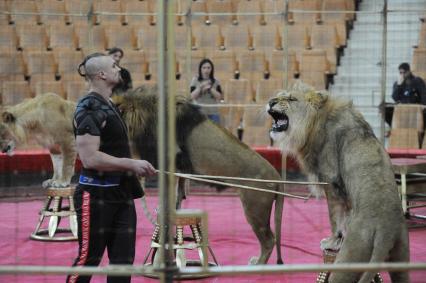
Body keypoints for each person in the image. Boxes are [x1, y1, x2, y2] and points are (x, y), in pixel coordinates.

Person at [67, 54, 156, 283]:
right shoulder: (88, 107)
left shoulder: (109, 103)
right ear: (102, 74)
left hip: (121, 194)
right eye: (114, 66)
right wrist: (131, 164)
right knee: (88, 260)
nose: (119, 68)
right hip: (95, 195)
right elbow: (89, 159)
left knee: (122, 264)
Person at [190, 58, 223, 124]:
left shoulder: (216, 81)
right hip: (199, 113)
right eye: (204, 68)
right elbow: (191, 96)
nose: (206, 70)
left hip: (213, 112)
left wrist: (210, 88)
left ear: (211, 69)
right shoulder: (195, 80)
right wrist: (200, 87)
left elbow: (219, 97)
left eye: (208, 68)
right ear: (200, 69)